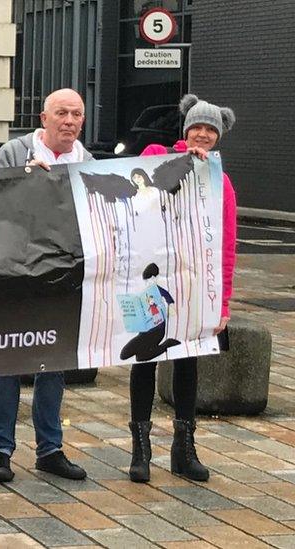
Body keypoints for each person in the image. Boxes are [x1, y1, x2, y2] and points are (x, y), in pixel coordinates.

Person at [127, 94, 237, 483]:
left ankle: (183, 448)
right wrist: (184, 164)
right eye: (197, 127)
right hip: (150, 277)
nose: (203, 135)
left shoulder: (220, 181)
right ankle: (141, 449)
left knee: (187, 361)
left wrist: (222, 303)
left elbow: (226, 245)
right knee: (144, 356)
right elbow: (138, 192)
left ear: (219, 135)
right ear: (185, 129)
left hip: (194, 282)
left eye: (211, 130)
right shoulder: (158, 152)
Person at [0, 88, 91, 484]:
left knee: (55, 364)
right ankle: (1, 450)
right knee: (7, 362)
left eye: (76, 114)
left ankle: (50, 449)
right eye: (61, 113)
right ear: (43, 118)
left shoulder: (89, 163)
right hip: (15, 278)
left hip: (62, 279)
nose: (69, 121)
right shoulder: (14, 152)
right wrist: (21, 182)